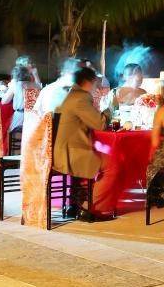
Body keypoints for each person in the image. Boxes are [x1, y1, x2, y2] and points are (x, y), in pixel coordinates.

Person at [53, 67, 111, 219]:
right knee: (112, 164)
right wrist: (109, 111)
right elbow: (100, 124)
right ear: (88, 82)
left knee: (102, 155)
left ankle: (75, 203)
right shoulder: (81, 98)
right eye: (95, 83)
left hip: (65, 149)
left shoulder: (72, 95)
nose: (96, 87)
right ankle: (89, 207)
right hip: (72, 152)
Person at [1, 64, 41, 133]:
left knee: (6, 131)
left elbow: (4, 102)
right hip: (34, 119)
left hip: (20, 118)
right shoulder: (36, 86)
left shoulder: (15, 85)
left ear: (15, 75)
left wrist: (8, 90)